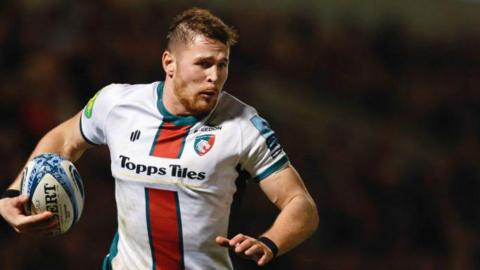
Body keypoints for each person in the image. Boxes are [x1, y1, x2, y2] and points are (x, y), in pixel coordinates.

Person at [0, 7, 318, 269]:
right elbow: (64, 139)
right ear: (169, 62)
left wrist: (270, 242)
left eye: (223, 65)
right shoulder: (117, 103)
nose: (215, 76)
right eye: (204, 63)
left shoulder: (244, 125)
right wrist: (14, 192)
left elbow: (300, 204)